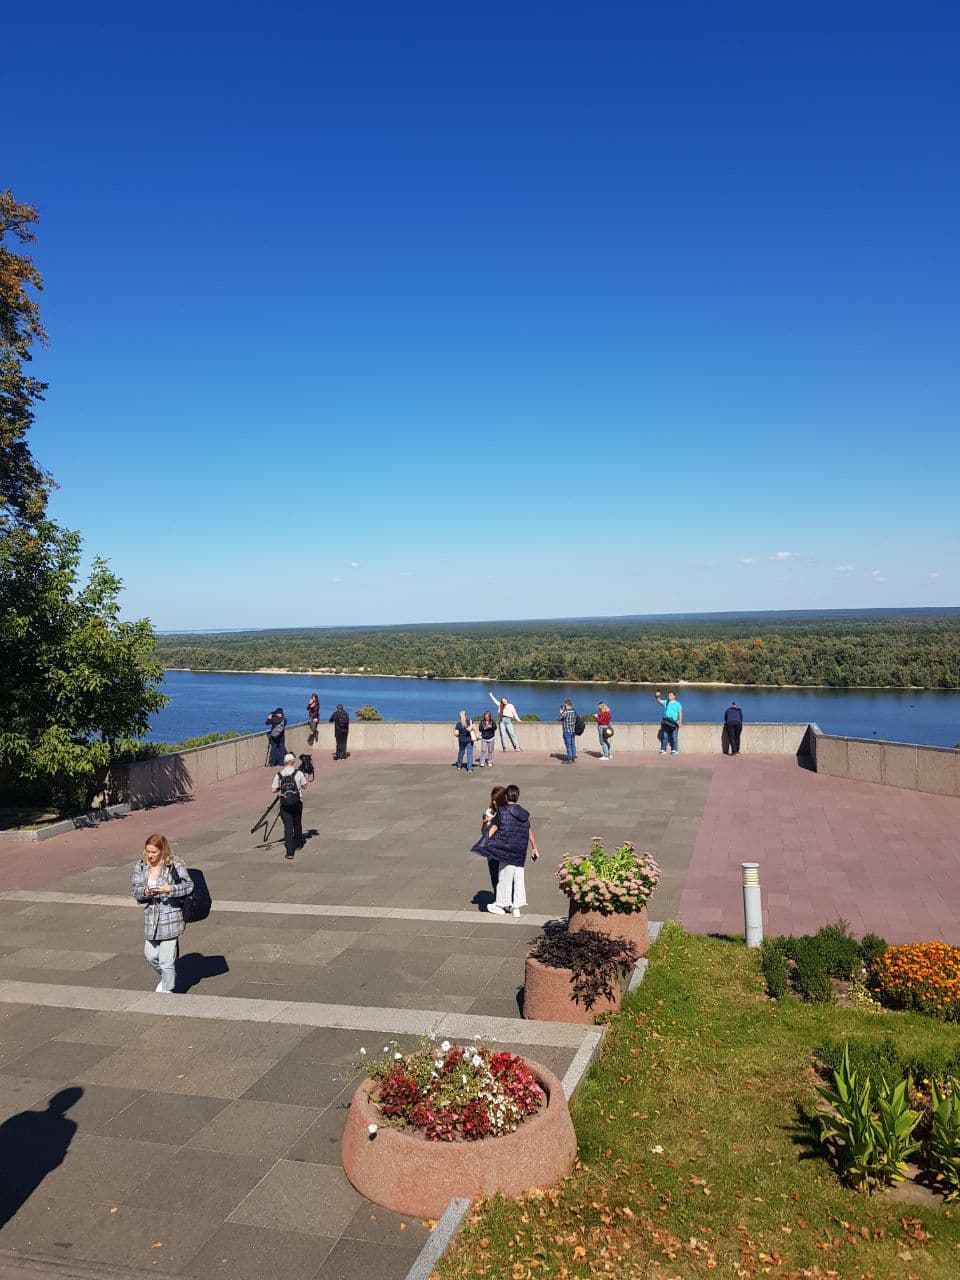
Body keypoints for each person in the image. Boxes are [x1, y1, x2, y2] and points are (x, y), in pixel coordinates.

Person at [131, 833, 193, 993]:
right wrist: (144, 892)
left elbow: (188, 886)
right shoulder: (141, 866)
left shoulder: (174, 865)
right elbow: (135, 889)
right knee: (151, 955)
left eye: (154, 852)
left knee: (166, 961)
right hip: (151, 919)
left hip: (171, 917)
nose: (150, 855)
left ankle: (167, 990)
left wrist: (169, 889)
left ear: (162, 851)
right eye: (148, 851)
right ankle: (168, 977)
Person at [482, 784, 539, 917]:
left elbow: (492, 830)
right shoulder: (523, 813)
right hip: (520, 851)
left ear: (506, 797)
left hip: (506, 850)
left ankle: (499, 905)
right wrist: (534, 848)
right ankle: (516, 907)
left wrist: (485, 842)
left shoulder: (502, 812)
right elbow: (529, 831)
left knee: (504, 878)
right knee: (518, 879)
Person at [271, 751, 309, 859]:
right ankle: (298, 843)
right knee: (297, 823)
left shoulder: (279, 774)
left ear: (284, 762)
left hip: (285, 804)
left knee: (288, 827)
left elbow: (273, 790)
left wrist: (281, 788)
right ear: (293, 762)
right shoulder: (299, 773)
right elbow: (305, 786)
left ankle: (290, 852)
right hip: (297, 802)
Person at [479, 784, 507, 892]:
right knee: (495, 877)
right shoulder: (489, 812)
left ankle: (506, 898)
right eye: (493, 799)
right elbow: (484, 832)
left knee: (506, 878)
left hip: (504, 848)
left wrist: (495, 820)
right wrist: (484, 823)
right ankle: (497, 897)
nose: (494, 802)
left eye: (497, 800)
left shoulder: (507, 811)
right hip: (492, 848)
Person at [655, 690, 683, 755]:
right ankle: (663, 750)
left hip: (674, 722)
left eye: (670, 695)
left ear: (674, 696)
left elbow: (680, 712)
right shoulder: (666, 702)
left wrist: (680, 722)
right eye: (668, 695)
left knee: (674, 736)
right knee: (665, 736)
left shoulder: (677, 703)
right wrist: (657, 696)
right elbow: (659, 701)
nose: (669, 696)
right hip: (665, 721)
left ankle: (674, 750)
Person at [558, 698, 578, 763]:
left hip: (567, 731)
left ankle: (570, 759)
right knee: (573, 744)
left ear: (566, 704)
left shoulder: (565, 712)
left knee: (568, 745)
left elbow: (559, 719)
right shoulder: (574, 711)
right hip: (573, 730)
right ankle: (573, 757)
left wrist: (561, 712)